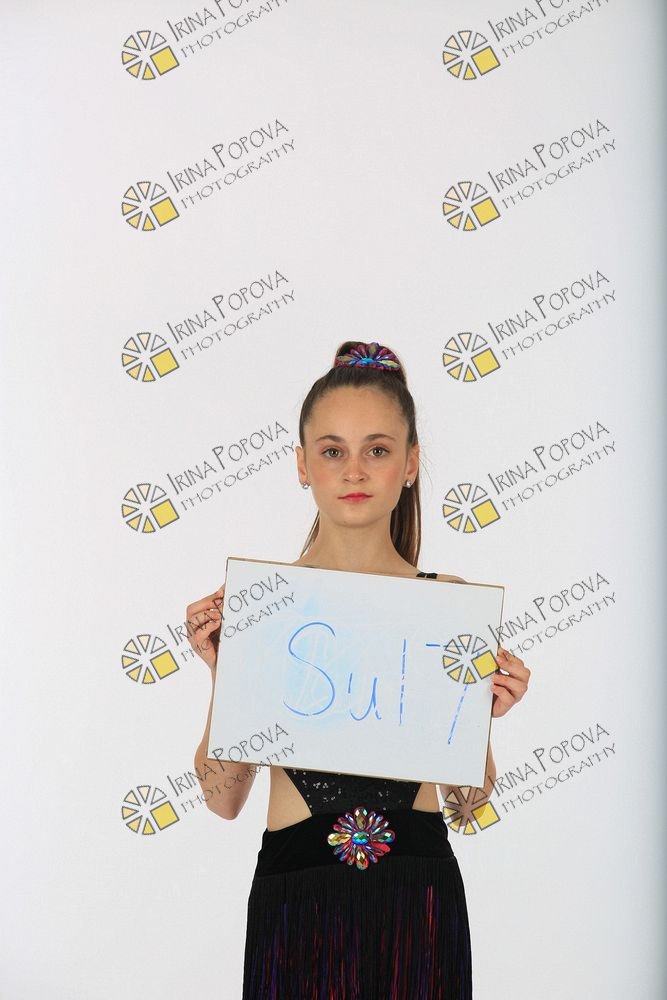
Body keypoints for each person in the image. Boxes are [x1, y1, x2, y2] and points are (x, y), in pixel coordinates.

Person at [187, 340, 530, 999]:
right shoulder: (266, 605)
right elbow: (223, 800)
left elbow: (466, 807)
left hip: (417, 900)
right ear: (302, 464)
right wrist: (224, 679)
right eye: (331, 450)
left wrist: (479, 720)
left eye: (376, 449)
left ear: (410, 463)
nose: (354, 470)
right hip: (298, 898)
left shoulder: (446, 604)